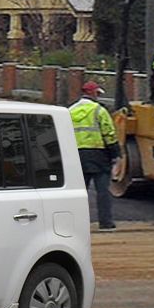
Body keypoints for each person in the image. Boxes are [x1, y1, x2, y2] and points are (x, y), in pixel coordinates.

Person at [69, 81, 119, 230]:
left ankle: (76, 223)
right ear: (92, 93)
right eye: (97, 93)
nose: (98, 96)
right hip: (98, 155)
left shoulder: (70, 111)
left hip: (76, 155)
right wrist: (115, 153)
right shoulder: (99, 111)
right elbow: (109, 133)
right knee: (103, 191)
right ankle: (105, 222)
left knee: (78, 193)